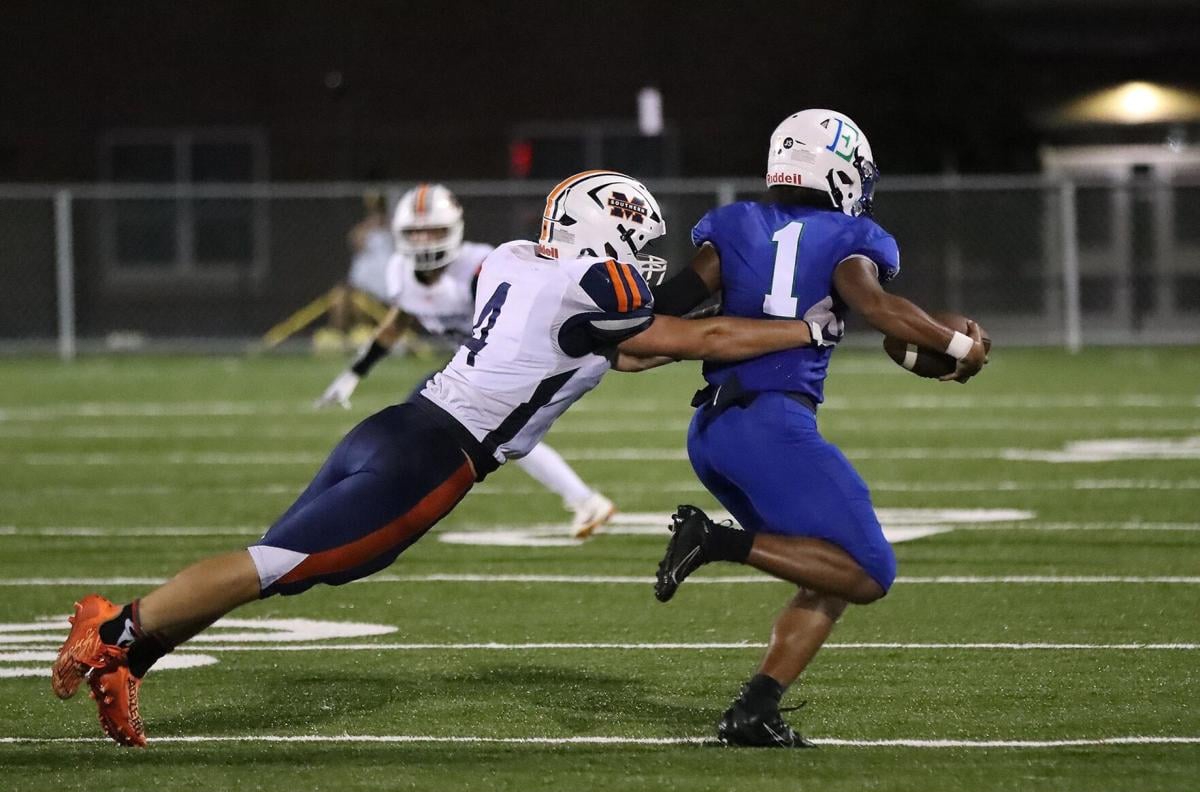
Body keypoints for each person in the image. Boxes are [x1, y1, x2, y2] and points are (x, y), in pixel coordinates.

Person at [51, 170, 826, 747]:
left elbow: (621, 353)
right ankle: (113, 629)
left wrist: (705, 335)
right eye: (637, 240)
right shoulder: (596, 280)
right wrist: (804, 331)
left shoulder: (519, 260)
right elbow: (699, 337)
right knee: (277, 564)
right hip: (434, 455)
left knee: (290, 567)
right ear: (606, 229)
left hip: (397, 425)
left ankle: (131, 659)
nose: (643, 257)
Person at [649, 110, 988, 747]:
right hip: (772, 426)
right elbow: (880, 308)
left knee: (828, 568)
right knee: (868, 570)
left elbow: (669, 305)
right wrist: (961, 349)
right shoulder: (849, 236)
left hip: (713, 429)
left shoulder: (732, 224)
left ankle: (755, 710)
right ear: (834, 171)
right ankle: (712, 542)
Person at [316, 183, 616, 538]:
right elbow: (400, 320)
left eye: (434, 231)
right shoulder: (399, 270)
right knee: (458, 432)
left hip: (515, 361)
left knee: (460, 433)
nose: (425, 241)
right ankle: (585, 499)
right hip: (472, 368)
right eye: (417, 232)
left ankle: (393, 507)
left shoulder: (480, 268)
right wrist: (355, 372)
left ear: (454, 229)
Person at [317, 191, 395, 353]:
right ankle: (339, 338)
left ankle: (366, 335)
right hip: (360, 288)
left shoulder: (392, 233)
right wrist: (369, 225)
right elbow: (355, 241)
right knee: (340, 297)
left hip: (382, 293)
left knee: (362, 304)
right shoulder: (363, 231)